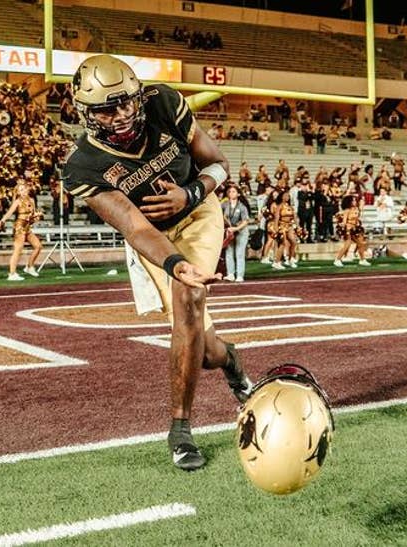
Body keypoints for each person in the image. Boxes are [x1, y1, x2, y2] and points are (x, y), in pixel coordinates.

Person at [62, 55, 253, 471]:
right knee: (204, 350)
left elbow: (219, 165)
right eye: (108, 109)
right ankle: (231, 360)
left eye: (128, 102)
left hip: (200, 214)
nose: (124, 114)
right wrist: (175, 263)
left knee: (187, 303)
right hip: (154, 238)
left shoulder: (164, 103)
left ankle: (180, 430)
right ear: (86, 115)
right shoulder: (83, 166)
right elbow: (135, 227)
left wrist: (190, 194)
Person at [0, 182, 43, 281]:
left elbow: (32, 215)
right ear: (18, 192)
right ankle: (12, 273)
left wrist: (36, 217)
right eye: (20, 190)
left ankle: (29, 267)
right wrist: (1, 222)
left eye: (24, 189)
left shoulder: (32, 200)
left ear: (27, 190)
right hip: (19, 227)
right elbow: (9, 213)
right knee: (18, 250)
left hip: (27, 228)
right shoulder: (17, 202)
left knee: (38, 246)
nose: (23, 191)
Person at [221, 185, 250, 282]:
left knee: (239, 253)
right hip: (230, 231)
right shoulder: (225, 204)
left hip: (241, 232)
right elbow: (220, 215)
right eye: (229, 192)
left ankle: (240, 275)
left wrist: (236, 228)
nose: (231, 193)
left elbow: (246, 221)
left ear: (238, 194)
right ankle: (230, 274)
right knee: (229, 252)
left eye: (233, 191)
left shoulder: (242, 206)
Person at [334, 195, 370, 267]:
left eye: (355, 200)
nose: (354, 202)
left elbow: (358, 216)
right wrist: (341, 225)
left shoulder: (356, 209)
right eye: (353, 200)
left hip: (355, 228)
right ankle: (337, 259)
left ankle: (362, 259)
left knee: (361, 243)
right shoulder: (347, 210)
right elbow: (344, 221)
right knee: (347, 244)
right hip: (348, 229)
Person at [269, 190, 298, 269]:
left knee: (294, 242)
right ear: (281, 197)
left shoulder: (290, 207)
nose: (286, 197)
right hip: (282, 226)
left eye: (288, 196)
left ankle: (291, 259)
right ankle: (277, 262)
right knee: (283, 244)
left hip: (289, 226)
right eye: (285, 196)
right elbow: (277, 217)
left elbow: (294, 217)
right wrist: (275, 228)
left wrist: (297, 226)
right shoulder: (280, 206)